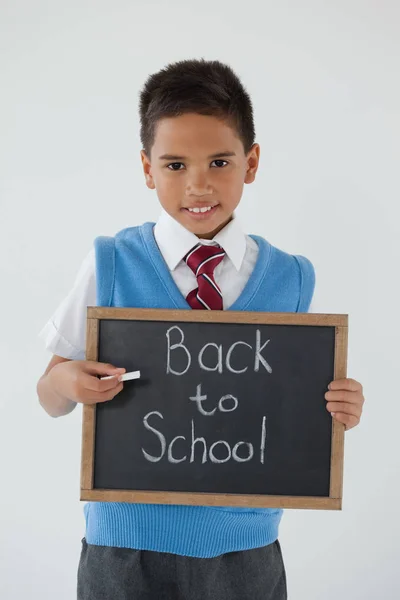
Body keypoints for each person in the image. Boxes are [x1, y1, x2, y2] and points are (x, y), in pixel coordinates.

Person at [37, 58, 365, 600]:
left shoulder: (291, 278)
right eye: (174, 165)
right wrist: (68, 382)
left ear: (251, 162)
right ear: (146, 169)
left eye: (218, 161)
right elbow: (48, 395)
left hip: (246, 549)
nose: (198, 184)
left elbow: (293, 405)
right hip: (125, 548)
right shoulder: (112, 261)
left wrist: (338, 409)